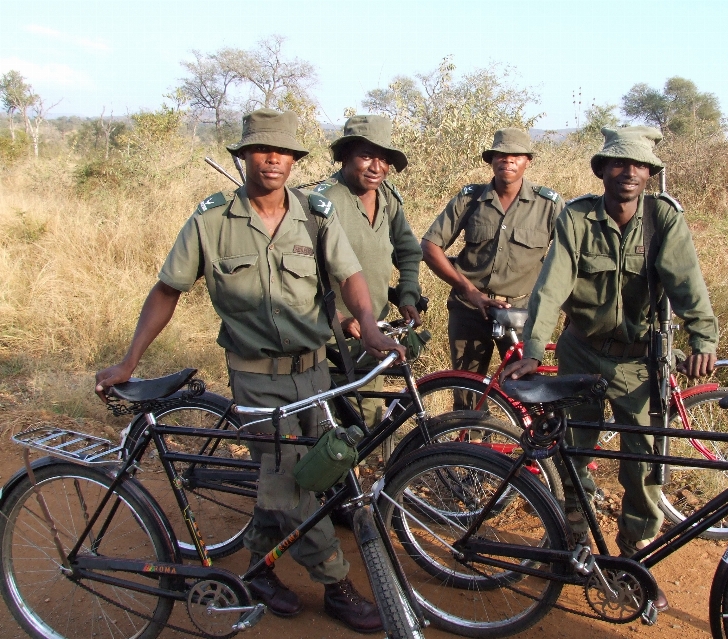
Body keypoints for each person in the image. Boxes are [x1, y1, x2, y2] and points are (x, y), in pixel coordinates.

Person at [95, 109, 402, 633]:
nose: (273, 161)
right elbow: (167, 291)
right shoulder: (211, 222)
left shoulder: (315, 214)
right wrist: (129, 360)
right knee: (291, 486)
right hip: (257, 378)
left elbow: (349, 275)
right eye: (262, 151)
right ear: (243, 157)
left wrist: (370, 327)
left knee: (312, 473)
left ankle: (259, 569)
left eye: (283, 152)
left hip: (314, 376)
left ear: (294, 161)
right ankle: (336, 586)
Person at [501, 125, 719, 612]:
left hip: (641, 361)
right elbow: (552, 285)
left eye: (639, 165)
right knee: (573, 453)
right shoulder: (577, 218)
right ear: (602, 170)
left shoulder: (663, 220)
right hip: (582, 352)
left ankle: (635, 559)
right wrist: (534, 350)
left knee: (645, 465)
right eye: (619, 163)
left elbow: (687, 283)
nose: (629, 173)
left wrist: (703, 336)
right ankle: (570, 543)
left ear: (649, 173)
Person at [421, 127, 563, 408]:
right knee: (467, 390)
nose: (507, 161)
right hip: (470, 310)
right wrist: (469, 291)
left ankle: (527, 449)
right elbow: (430, 246)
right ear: (491, 160)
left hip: (522, 313)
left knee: (528, 393)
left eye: (516, 156)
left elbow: (567, 261)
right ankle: (470, 447)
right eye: (500, 155)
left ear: (527, 161)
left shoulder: (548, 204)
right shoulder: (469, 199)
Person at [309, 114, 422, 427]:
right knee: (330, 428)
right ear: (345, 156)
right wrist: (341, 320)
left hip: (374, 331)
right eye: (367, 156)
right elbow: (299, 275)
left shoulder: (387, 197)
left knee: (368, 419)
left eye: (384, 159)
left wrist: (408, 293)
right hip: (329, 339)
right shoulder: (324, 202)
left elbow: (409, 250)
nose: (377, 167)